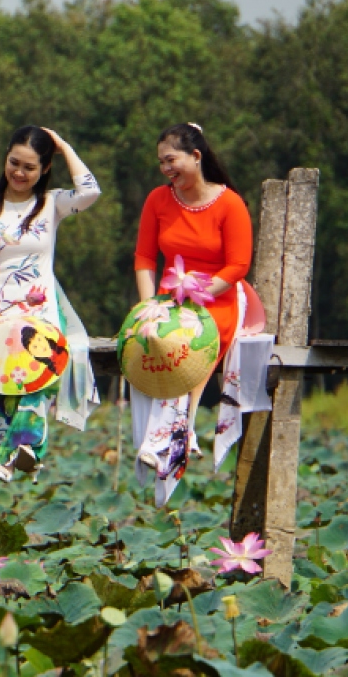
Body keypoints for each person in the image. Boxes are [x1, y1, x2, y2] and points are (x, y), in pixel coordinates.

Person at [0, 127, 101, 485]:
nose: (19, 173)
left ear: (44, 170)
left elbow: (90, 191)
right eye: (14, 163)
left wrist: (63, 145)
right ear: (5, 157)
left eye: (30, 168)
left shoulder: (51, 204)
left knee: (40, 367)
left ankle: (24, 449)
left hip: (38, 315)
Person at [132, 122, 254, 505]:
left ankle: (170, 434)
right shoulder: (158, 200)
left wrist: (200, 292)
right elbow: (144, 258)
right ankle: (172, 435)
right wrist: (149, 304)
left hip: (217, 298)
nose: (167, 169)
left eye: (172, 160)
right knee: (149, 337)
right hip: (171, 296)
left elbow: (237, 266)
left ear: (196, 157)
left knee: (183, 340)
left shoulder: (229, 203)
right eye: (161, 163)